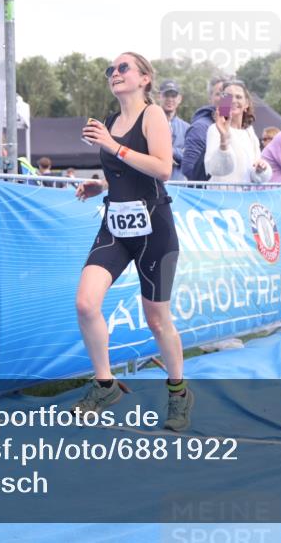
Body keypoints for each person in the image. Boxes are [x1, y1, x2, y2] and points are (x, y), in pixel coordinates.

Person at [73, 52, 192, 431]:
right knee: (85, 303)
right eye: (110, 69)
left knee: (157, 320)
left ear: (144, 78)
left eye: (123, 67)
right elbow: (127, 170)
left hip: (154, 227)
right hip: (116, 224)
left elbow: (162, 169)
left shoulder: (152, 114)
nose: (114, 73)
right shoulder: (109, 121)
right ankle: (104, 384)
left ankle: (178, 392)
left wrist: (112, 145)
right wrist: (102, 184)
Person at [203, 81, 272, 184]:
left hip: (245, 197)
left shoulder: (250, 134)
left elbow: (254, 176)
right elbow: (214, 169)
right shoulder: (214, 130)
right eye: (228, 97)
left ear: (246, 104)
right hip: (222, 196)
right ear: (223, 102)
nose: (233, 101)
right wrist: (224, 140)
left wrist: (261, 169)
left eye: (238, 97)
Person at [180, 77, 227, 181]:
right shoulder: (200, 127)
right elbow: (189, 170)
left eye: (227, 94)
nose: (225, 98)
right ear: (210, 98)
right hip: (212, 194)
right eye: (219, 94)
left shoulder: (242, 129)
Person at [158, 80, 190, 180]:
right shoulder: (148, 123)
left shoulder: (187, 128)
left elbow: (190, 157)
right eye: (166, 95)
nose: (170, 99)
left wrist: (170, 152)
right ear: (159, 97)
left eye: (173, 96)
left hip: (179, 187)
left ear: (179, 99)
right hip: (155, 186)